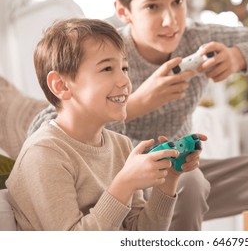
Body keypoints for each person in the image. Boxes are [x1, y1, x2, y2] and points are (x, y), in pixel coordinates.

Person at [29, 0, 248, 230]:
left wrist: (241, 56)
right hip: (119, 186)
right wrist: (136, 103)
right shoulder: (105, 53)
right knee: (192, 182)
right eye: (152, 7)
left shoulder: (197, 42)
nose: (170, 20)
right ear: (124, 11)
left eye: (177, 1)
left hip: (181, 175)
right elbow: (45, 126)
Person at [6, 18, 204, 231]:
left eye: (125, 68)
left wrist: (169, 179)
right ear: (61, 85)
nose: (125, 82)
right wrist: (125, 183)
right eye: (107, 68)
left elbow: (142, 235)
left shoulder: (121, 145)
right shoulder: (44, 154)